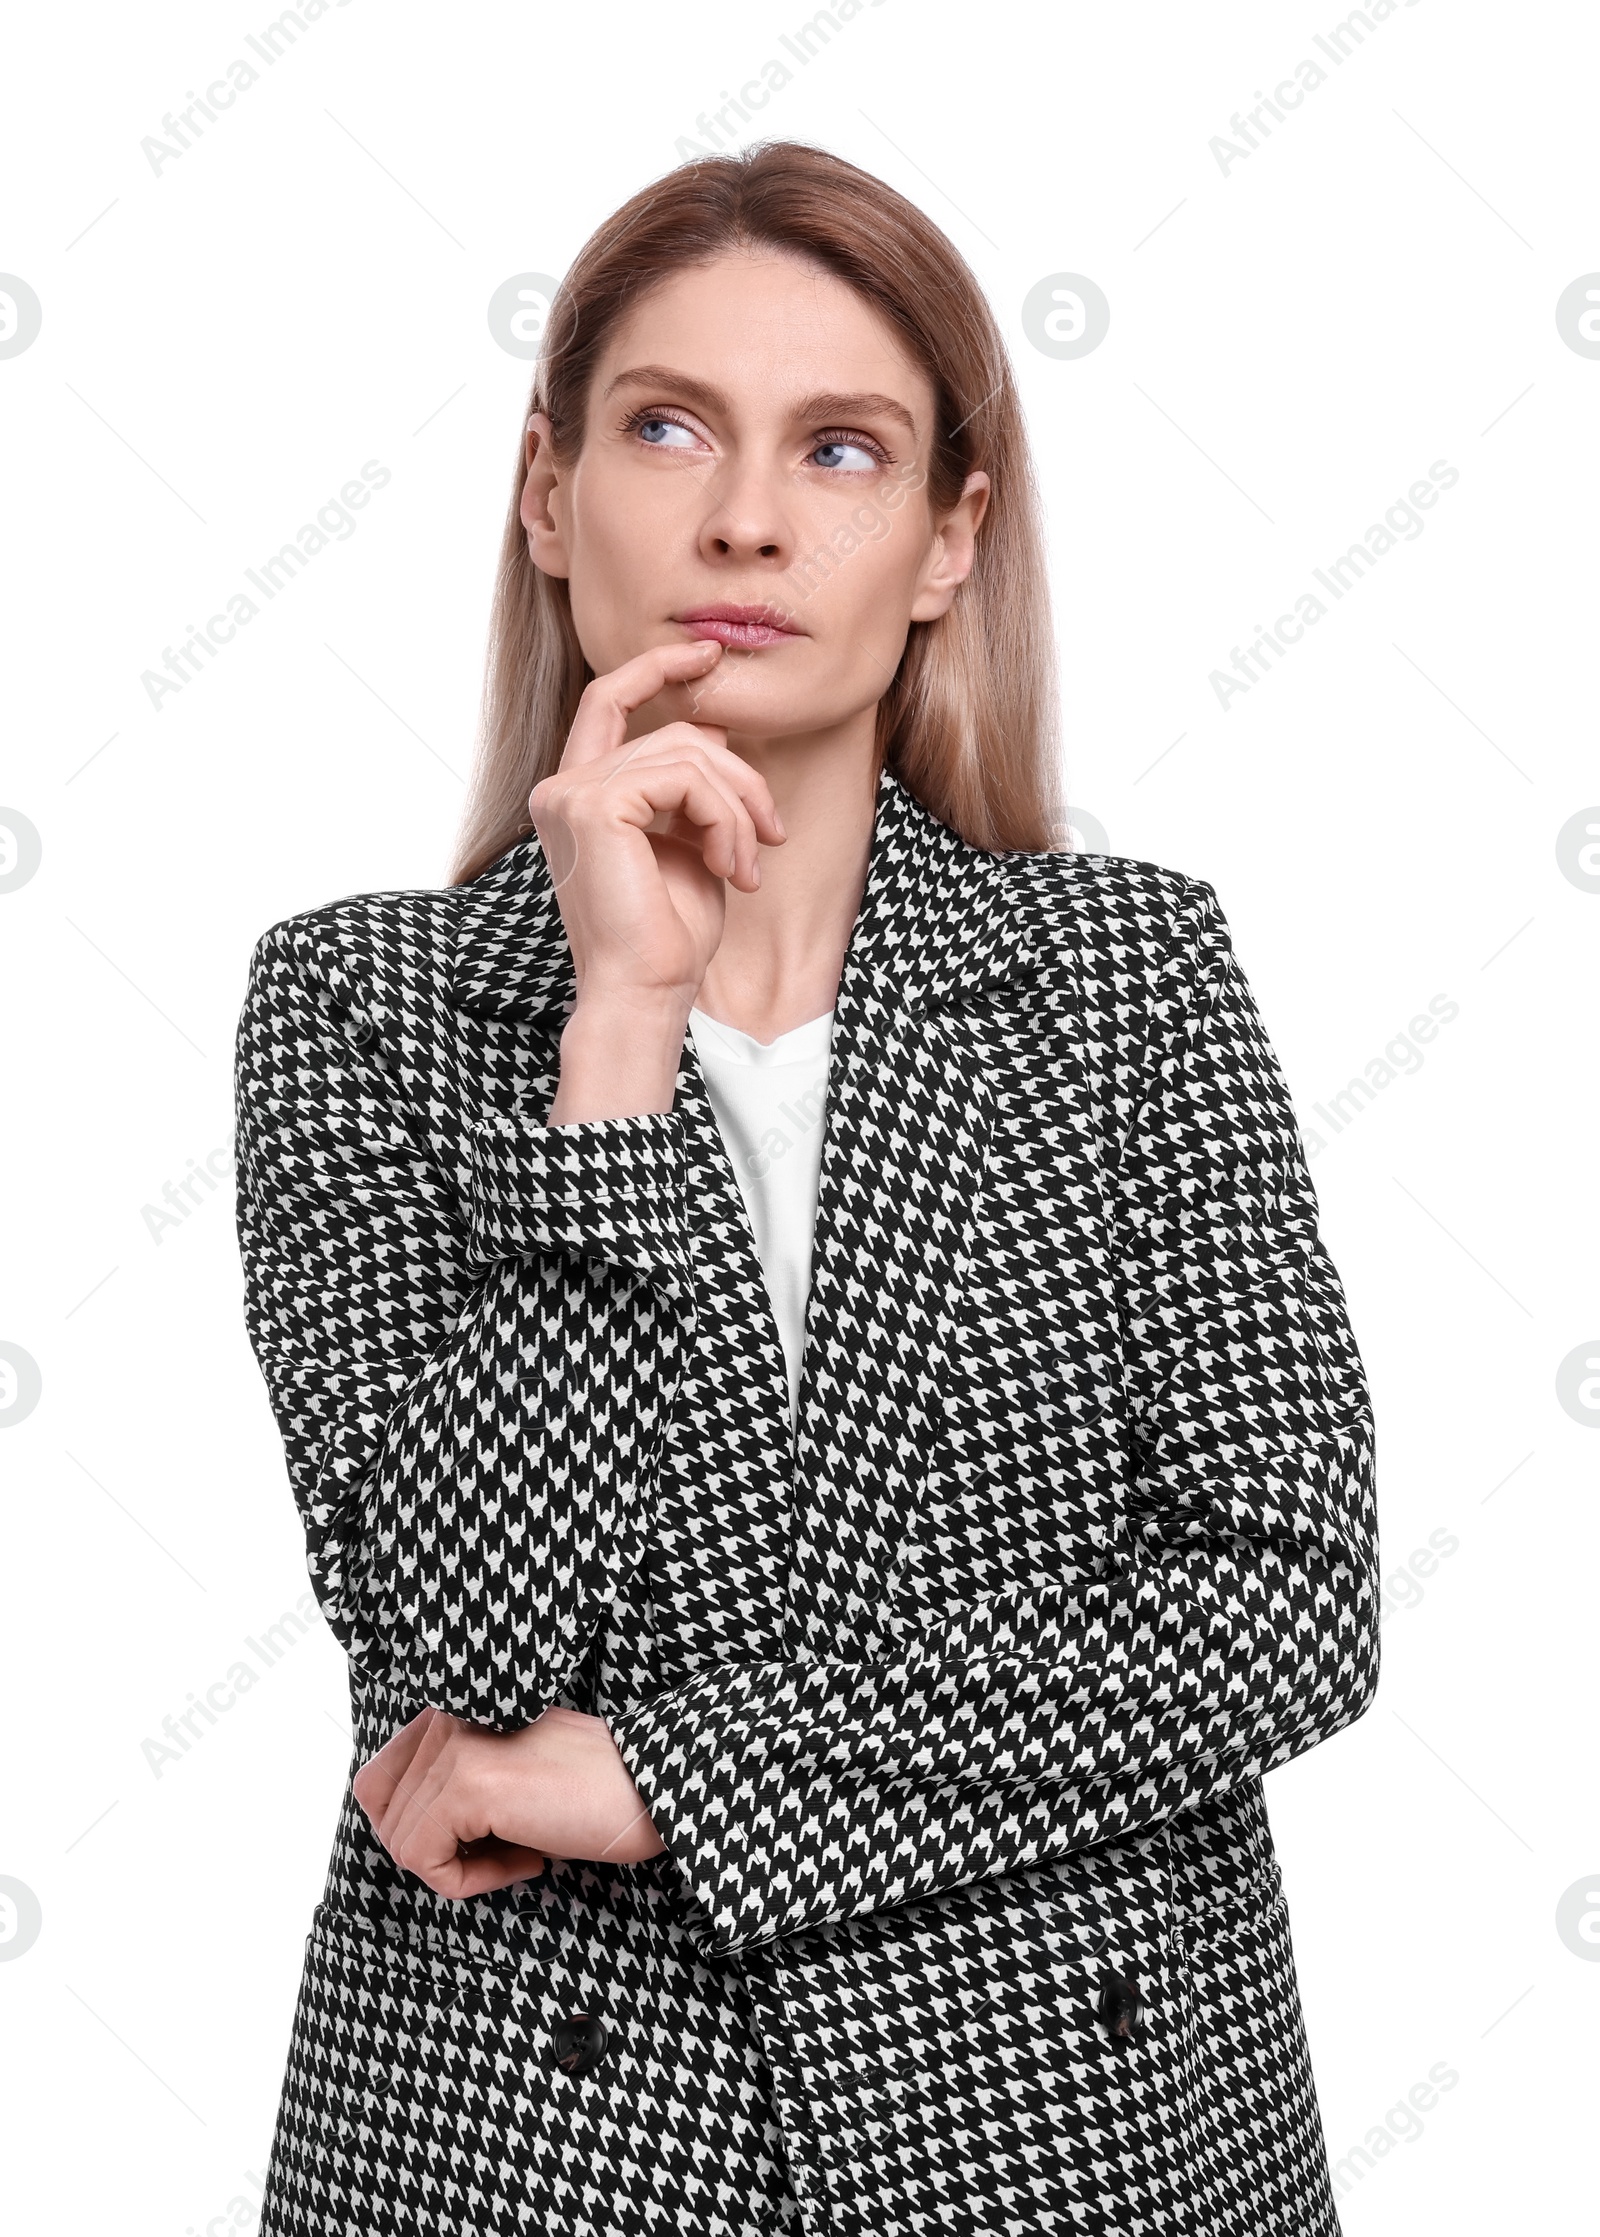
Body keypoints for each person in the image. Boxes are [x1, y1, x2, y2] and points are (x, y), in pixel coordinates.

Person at [233, 139, 1379, 2237]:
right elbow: (450, 1649)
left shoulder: (1121, 973)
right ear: (547, 490)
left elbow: (1281, 1609)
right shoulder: (364, 1006)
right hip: (542, 2159)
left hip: (1069, 2149)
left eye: (838, 450)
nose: (743, 515)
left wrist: (674, 1778)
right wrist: (613, 1031)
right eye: (666, 426)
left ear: (947, 541)